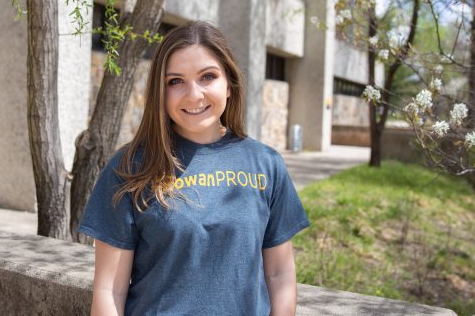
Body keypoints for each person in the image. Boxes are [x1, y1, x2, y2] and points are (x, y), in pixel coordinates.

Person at [78, 21, 310, 315]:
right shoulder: (130, 168)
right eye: (175, 81)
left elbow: (280, 274)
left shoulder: (266, 164)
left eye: (207, 77)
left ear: (229, 85)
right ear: (159, 93)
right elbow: (110, 289)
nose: (193, 94)